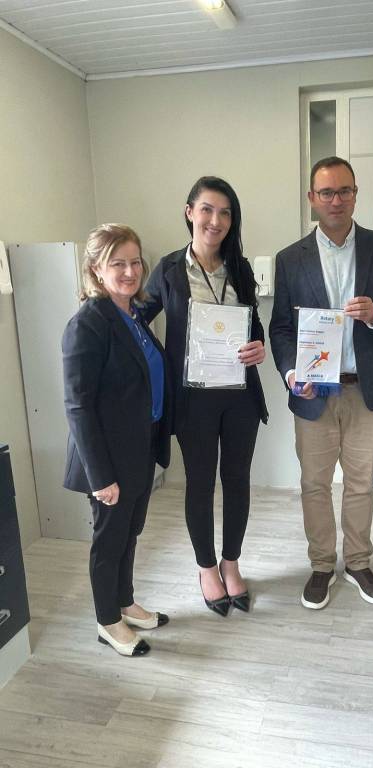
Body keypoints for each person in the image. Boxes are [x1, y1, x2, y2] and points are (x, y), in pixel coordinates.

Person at [269, 156, 373, 610]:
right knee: (314, 484)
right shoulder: (290, 258)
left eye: (344, 191)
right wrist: (292, 374)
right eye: (327, 192)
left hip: (365, 389)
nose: (336, 200)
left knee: (361, 483)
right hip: (313, 392)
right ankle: (321, 566)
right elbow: (281, 329)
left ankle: (358, 562)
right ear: (312, 198)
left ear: (356, 194)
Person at [143, 176, 268, 617]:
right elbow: (137, 319)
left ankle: (231, 563)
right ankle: (206, 568)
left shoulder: (240, 268)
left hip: (239, 397)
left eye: (226, 213)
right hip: (193, 400)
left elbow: (254, 324)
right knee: (200, 483)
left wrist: (258, 345)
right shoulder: (168, 270)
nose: (216, 220)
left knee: (237, 480)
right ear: (189, 212)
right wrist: (165, 362)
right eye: (208, 210)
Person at [62, 224, 172, 657]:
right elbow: (78, 406)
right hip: (108, 459)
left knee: (131, 533)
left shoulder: (134, 314)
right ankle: (107, 620)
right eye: (117, 264)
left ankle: (125, 602)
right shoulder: (88, 323)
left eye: (135, 262)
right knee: (109, 540)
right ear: (96, 269)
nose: (129, 272)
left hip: (140, 448)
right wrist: (100, 477)